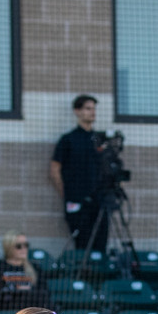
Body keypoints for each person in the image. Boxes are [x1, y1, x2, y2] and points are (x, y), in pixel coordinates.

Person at [51, 94, 108, 252]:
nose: (92, 112)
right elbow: (54, 169)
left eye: (94, 109)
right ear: (77, 111)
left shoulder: (99, 140)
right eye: (88, 108)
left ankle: (99, 268)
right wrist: (67, 194)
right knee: (82, 244)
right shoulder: (68, 139)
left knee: (100, 245)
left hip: (99, 202)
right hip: (77, 201)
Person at [0, 231, 45, 314]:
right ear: (9, 247)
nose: (24, 249)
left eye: (26, 245)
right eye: (19, 246)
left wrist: (27, 290)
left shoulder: (35, 268)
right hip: (5, 312)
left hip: (29, 312)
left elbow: (43, 293)